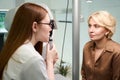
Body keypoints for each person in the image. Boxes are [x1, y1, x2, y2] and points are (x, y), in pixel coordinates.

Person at [0, 2, 58, 80]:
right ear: (35, 26)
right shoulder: (33, 59)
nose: (51, 29)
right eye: (49, 24)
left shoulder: (14, 49)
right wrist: (50, 62)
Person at [81, 10, 120, 80]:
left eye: (96, 26)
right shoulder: (87, 47)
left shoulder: (117, 52)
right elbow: (84, 74)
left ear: (107, 30)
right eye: (90, 26)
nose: (91, 30)